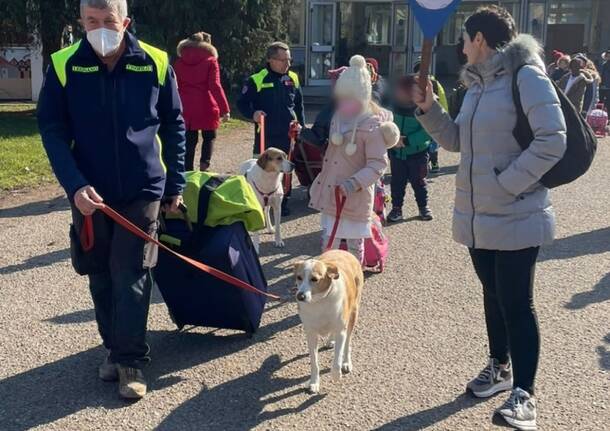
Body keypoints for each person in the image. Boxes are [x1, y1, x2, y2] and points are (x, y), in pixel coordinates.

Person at [413, 6, 566, 430]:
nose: (461, 47)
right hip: (480, 217)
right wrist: (430, 112)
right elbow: (459, 141)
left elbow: (554, 139)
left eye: (465, 39)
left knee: (517, 303)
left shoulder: (526, 76)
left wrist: (508, 183)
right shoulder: (477, 86)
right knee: (493, 297)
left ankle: (525, 395)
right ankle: (499, 369)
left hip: (517, 212)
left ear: (480, 39)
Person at [37, 0, 186, 400]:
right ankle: (113, 346)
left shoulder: (154, 61)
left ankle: (131, 360)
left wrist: (176, 185)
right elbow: (51, 128)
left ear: (126, 22)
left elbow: (174, 123)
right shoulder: (65, 64)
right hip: (90, 192)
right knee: (99, 271)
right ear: (81, 23)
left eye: (108, 21)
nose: (100, 28)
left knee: (132, 272)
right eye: (91, 21)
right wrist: (74, 185)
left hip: (142, 189)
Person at [309, 55, 399, 262]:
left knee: (353, 247)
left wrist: (353, 183)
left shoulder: (372, 124)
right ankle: (327, 286)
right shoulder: (337, 118)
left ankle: (353, 283)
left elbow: (378, 163)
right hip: (333, 192)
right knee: (328, 243)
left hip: (355, 195)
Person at [237, 41, 305, 216]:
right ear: (270, 60)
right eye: (282, 60)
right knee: (261, 168)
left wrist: (301, 126)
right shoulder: (256, 79)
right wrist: (253, 114)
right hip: (265, 135)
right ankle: (258, 201)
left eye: (289, 60)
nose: (287, 64)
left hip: (288, 133)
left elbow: (298, 105)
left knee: (286, 168)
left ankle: (283, 200)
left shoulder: (293, 78)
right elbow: (242, 103)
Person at [174, 31, 230, 171]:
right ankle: (204, 166)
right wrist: (225, 109)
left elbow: (175, 85)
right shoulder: (211, 61)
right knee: (209, 136)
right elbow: (215, 86)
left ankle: (187, 171)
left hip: (185, 105)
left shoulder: (179, 62)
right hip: (206, 104)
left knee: (189, 140)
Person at [387, 74, 433, 223]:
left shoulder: (422, 107)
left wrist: (407, 141)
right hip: (396, 153)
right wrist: (391, 138)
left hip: (417, 153)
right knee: (397, 183)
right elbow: (386, 123)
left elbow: (427, 131)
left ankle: (423, 207)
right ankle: (396, 208)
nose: (398, 93)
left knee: (419, 182)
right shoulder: (392, 105)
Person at [413, 59, 448, 173]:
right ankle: (433, 163)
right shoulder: (436, 83)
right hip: (434, 117)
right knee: (433, 141)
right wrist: (444, 116)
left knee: (426, 142)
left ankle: (428, 162)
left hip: (422, 118)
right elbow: (443, 100)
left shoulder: (416, 83)